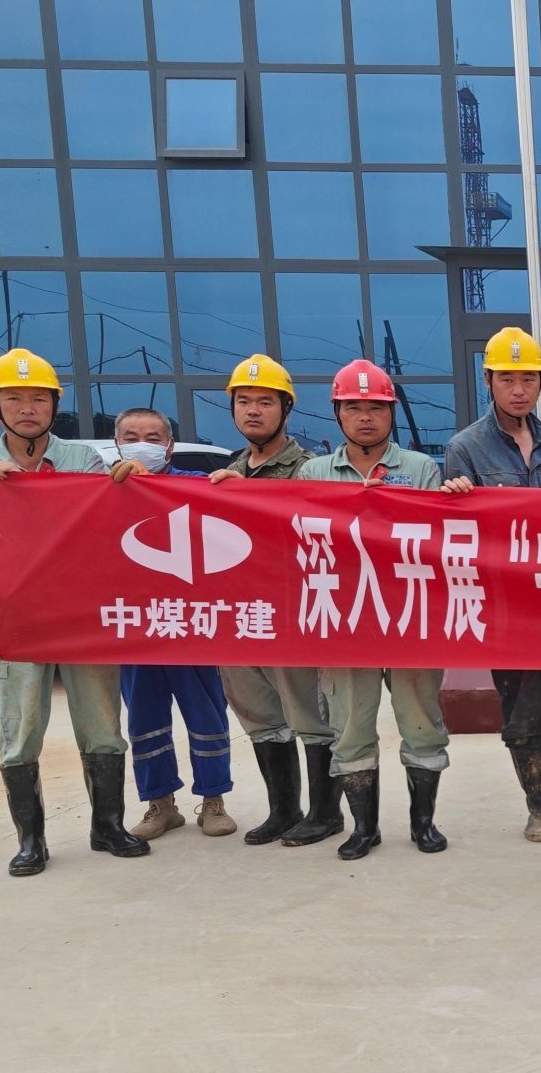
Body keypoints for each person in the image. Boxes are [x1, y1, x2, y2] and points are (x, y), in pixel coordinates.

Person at [0, 348, 149, 875]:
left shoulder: (84, 460)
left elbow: (110, 528)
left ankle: (108, 826)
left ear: (54, 404)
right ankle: (31, 840)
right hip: (11, 622)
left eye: (38, 398)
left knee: (102, 724)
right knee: (21, 730)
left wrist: (134, 484)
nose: (27, 408)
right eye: (14, 398)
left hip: (81, 619)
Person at [298, 360, 458, 860]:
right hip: (346, 619)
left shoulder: (421, 469)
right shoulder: (313, 473)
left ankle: (423, 823)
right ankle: (363, 828)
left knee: (421, 722)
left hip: (409, 615)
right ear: (337, 414)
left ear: (391, 413)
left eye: (376, 408)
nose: (365, 417)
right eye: (354, 408)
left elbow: (439, 536)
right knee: (350, 726)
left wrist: (453, 499)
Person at [441, 326, 541, 845]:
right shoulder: (465, 447)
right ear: (488, 381)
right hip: (509, 608)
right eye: (508, 379)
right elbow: (459, 531)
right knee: (524, 714)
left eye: (528, 378)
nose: (519, 389)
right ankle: (539, 809)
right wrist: (457, 496)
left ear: (540, 383)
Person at [205, 355, 333, 847]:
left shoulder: (309, 469)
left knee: (310, 716)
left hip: (292, 615)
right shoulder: (227, 472)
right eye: (244, 402)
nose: (253, 411)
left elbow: (314, 528)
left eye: (265, 402)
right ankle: (284, 810)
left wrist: (257, 499)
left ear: (286, 409)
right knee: (260, 718)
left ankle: (325, 813)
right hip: (239, 616)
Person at [107, 408, 238, 840]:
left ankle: (213, 800)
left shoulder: (197, 484)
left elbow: (237, 514)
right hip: (136, 626)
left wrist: (239, 487)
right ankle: (160, 803)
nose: (141, 444)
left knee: (206, 713)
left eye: (152, 437)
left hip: (191, 623)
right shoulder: (101, 490)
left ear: (169, 445)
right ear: (116, 443)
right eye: (131, 436)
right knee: (144, 717)